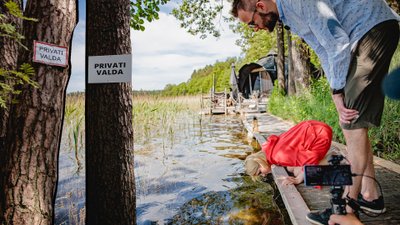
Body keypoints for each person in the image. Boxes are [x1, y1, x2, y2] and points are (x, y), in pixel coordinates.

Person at [231, 1, 399, 224]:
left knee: (351, 121)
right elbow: (322, 47)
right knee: (352, 121)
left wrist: (302, 175)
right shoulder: (288, 17)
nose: (255, 28)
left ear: (260, 5)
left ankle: (346, 208)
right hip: (361, 35)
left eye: (252, 23)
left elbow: (337, 42)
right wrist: (334, 89)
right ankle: (371, 196)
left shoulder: (298, 3)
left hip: (370, 27)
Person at [245, 120, 333, 185]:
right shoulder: (267, 150)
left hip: (319, 134)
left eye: (260, 172)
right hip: (313, 127)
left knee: (305, 174)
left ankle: (333, 159)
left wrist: (298, 179)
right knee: (291, 169)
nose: (263, 175)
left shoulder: (279, 156)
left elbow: (312, 157)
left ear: (260, 162)